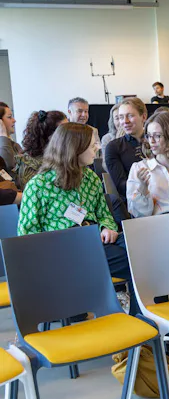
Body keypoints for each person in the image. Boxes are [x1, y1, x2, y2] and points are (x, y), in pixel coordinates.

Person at [17, 123, 134, 288]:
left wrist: (106, 228)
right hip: (64, 249)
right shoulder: (39, 185)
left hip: (94, 239)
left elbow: (104, 214)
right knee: (133, 261)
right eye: (92, 145)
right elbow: (27, 234)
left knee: (137, 248)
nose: (97, 148)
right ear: (75, 149)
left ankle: (137, 300)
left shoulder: (91, 178)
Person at [105, 98, 147, 198]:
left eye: (130, 116)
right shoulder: (113, 147)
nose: (125, 121)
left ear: (144, 117)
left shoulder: (155, 140)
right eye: (121, 117)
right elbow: (121, 186)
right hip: (135, 199)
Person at [15, 110, 67, 189]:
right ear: (50, 135)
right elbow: (31, 191)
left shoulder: (63, 155)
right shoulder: (29, 163)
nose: (69, 134)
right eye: (64, 131)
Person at [0, 102, 24, 175]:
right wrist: (3, 135)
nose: (14, 120)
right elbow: (10, 167)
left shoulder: (15, 145)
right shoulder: (4, 146)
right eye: (9, 117)